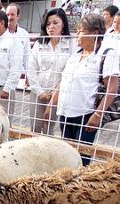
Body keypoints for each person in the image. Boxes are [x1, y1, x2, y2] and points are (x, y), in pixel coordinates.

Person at [44, 14, 119, 166]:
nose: (77, 35)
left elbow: (112, 87)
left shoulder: (106, 54)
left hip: (85, 115)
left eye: (81, 31)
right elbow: (63, 82)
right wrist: (51, 104)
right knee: (68, 156)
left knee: (82, 157)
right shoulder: (76, 55)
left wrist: (98, 114)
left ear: (94, 34)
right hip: (66, 113)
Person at [28, 8, 77, 135]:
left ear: (63, 24)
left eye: (55, 23)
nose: (51, 27)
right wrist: (40, 92)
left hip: (59, 93)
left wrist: (55, 93)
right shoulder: (40, 43)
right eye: (48, 24)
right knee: (35, 127)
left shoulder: (71, 43)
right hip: (38, 92)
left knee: (50, 127)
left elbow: (71, 70)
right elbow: (31, 69)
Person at [6, 3, 30, 87]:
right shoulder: (1, 33)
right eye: (7, 14)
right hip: (1, 76)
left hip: (14, 78)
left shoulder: (24, 34)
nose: (9, 17)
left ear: (18, 16)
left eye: (12, 14)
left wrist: (28, 75)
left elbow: (27, 57)